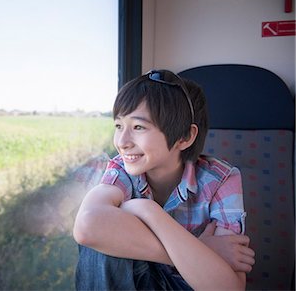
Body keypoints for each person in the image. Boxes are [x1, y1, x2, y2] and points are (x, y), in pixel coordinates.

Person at [73, 69, 255, 290]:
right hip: (138, 281)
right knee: (100, 246)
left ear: (185, 137)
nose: (122, 142)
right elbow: (88, 225)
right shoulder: (121, 169)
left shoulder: (221, 179)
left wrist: (148, 210)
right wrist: (199, 250)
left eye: (138, 127)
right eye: (119, 126)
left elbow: (230, 287)